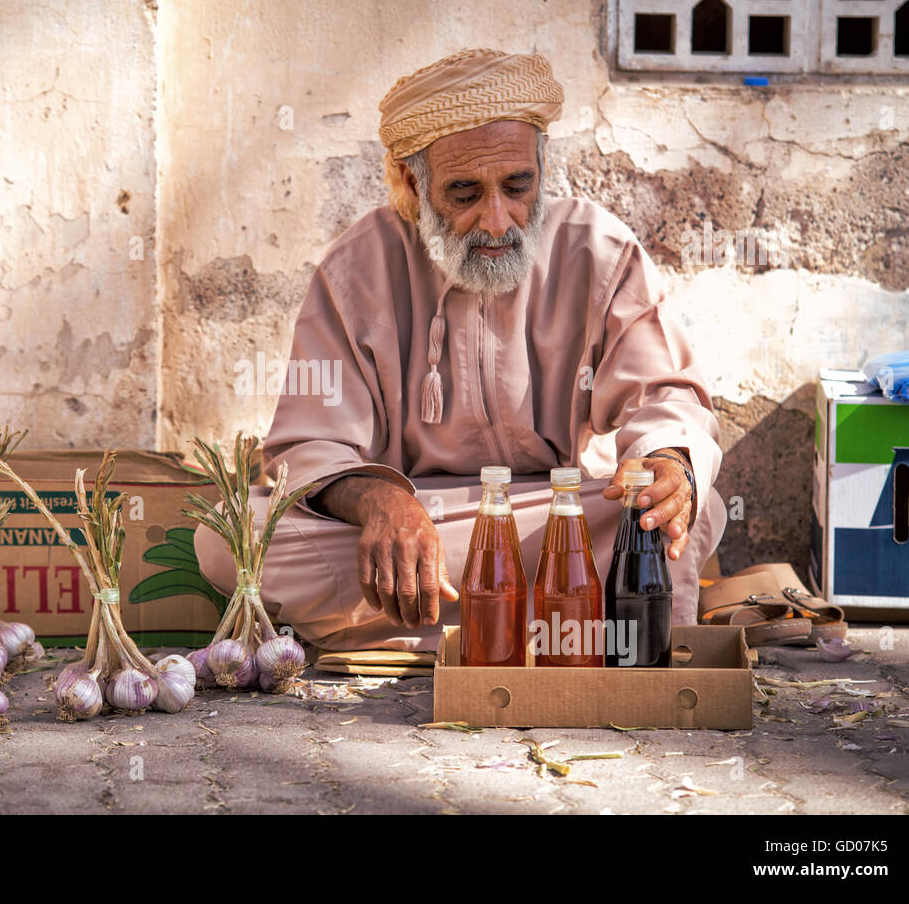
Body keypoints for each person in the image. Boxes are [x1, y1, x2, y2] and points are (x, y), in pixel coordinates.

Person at [194, 49, 726, 652]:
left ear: (541, 171)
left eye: (517, 186)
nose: (497, 221)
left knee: (686, 510)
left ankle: (436, 628)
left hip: (552, 514)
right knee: (227, 537)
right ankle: (557, 621)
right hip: (412, 514)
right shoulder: (358, 268)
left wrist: (669, 463)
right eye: (465, 192)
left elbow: (666, 394)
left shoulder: (595, 249)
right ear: (415, 184)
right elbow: (311, 444)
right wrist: (379, 501)